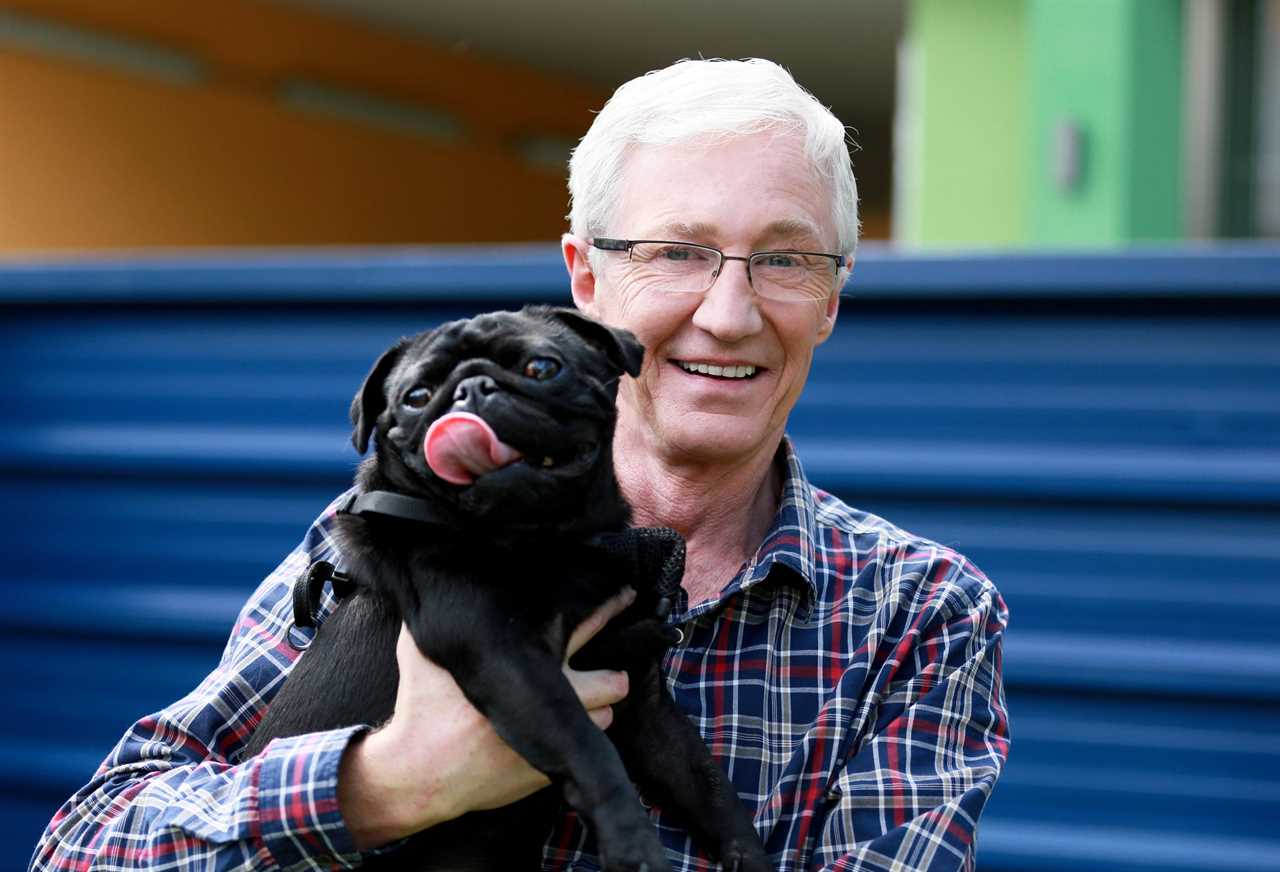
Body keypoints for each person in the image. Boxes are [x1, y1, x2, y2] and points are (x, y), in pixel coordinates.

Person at [30, 58, 1009, 872]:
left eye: (785, 259)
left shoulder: (917, 612)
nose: (726, 311)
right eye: (676, 251)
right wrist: (382, 782)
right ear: (586, 278)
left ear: (833, 296)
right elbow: (86, 844)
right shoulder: (392, 534)